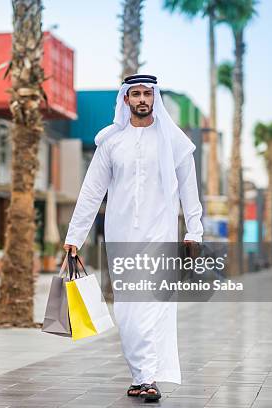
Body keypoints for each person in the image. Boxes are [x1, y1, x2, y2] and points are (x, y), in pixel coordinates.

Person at [63, 74, 203, 402]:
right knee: (127, 311)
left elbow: (189, 188)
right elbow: (91, 192)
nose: (142, 99)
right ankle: (140, 376)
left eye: (147, 93)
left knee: (152, 306)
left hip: (160, 234)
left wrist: (194, 231)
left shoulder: (173, 141)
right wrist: (75, 235)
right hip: (121, 235)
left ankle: (149, 377)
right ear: (126, 99)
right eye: (136, 93)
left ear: (155, 98)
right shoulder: (110, 143)